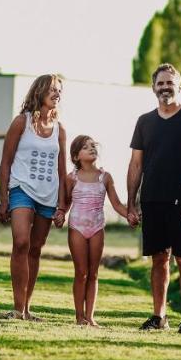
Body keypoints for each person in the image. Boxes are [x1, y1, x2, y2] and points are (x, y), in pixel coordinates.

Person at [126, 63, 181, 334]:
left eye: (169, 83)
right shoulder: (144, 121)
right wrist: (131, 203)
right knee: (159, 259)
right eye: (160, 83)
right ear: (153, 88)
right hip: (152, 200)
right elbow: (136, 165)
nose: (165, 88)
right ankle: (159, 316)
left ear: (179, 86)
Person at [0, 74, 68, 320]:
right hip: (21, 188)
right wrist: (4, 198)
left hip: (48, 195)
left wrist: (62, 205)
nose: (57, 94)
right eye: (52, 90)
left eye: (59, 90)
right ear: (39, 92)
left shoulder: (60, 130)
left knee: (36, 249)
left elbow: (62, 171)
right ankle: (17, 308)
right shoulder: (21, 122)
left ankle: (26, 308)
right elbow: (5, 162)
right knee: (21, 243)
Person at [61, 135, 130, 327]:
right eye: (85, 147)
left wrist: (130, 215)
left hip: (97, 227)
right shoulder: (71, 178)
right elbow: (65, 204)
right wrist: (59, 215)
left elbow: (116, 204)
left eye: (93, 146)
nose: (91, 149)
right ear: (76, 156)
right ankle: (79, 316)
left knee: (93, 273)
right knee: (81, 272)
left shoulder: (105, 177)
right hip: (77, 227)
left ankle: (90, 317)